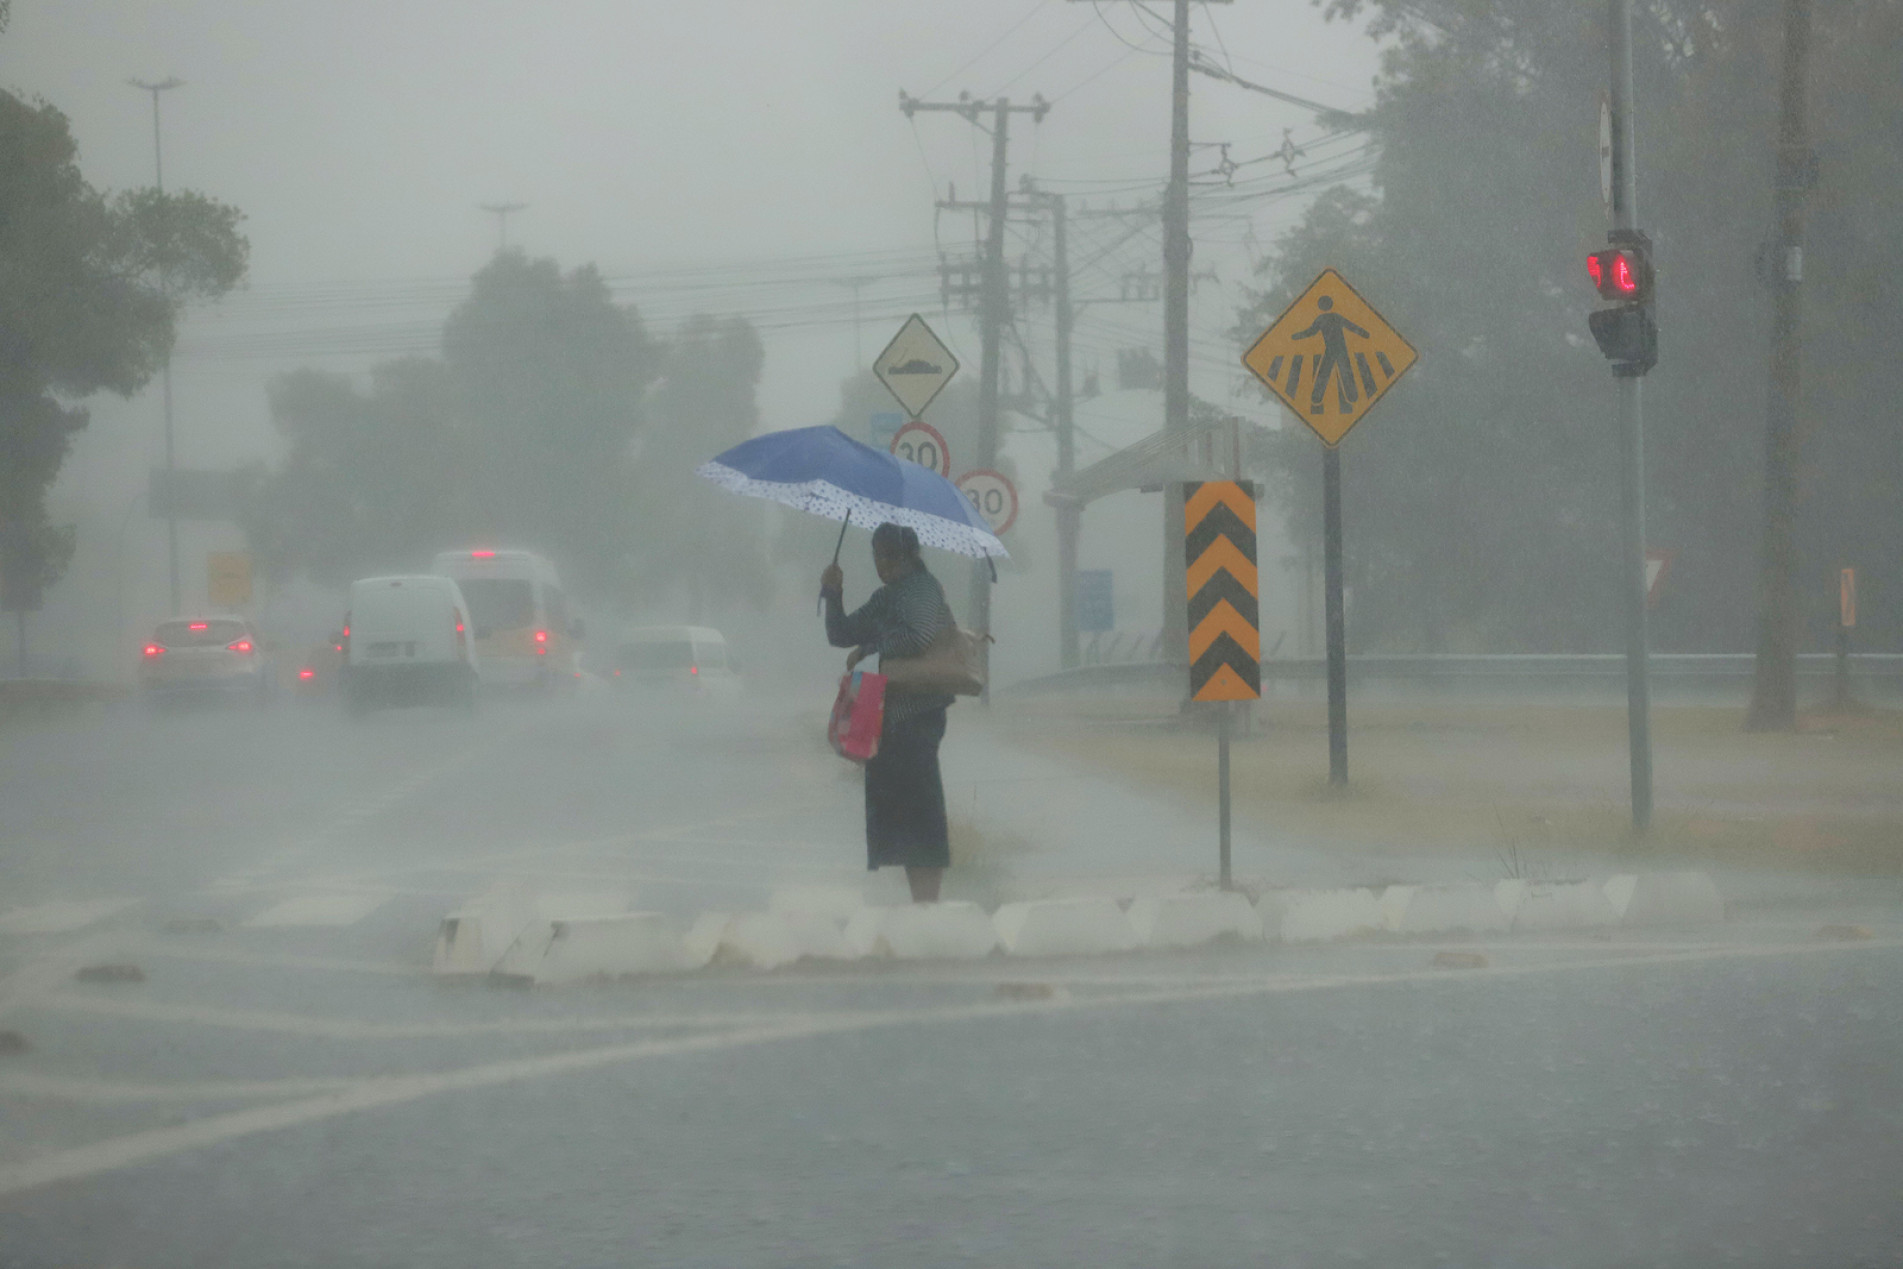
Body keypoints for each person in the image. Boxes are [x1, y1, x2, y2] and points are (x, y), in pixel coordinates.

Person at [820, 522, 955, 903]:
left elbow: (920, 635)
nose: (882, 563)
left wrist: (869, 649)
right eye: (877, 556)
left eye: (887, 555)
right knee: (899, 819)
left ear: (905, 555)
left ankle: (928, 902)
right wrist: (833, 592)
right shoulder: (887, 596)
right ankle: (919, 903)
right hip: (887, 721)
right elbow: (840, 633)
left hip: (919, 716)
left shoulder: (924, 589)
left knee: (923, 814)